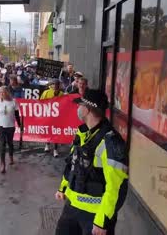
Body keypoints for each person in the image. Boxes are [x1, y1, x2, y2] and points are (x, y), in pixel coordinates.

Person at [55, 89, 128, 235]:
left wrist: (102, 221)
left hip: (95, 215)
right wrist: (63, 187)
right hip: (71, 206)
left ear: (87, 109)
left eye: (80, 105)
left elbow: (117, 187)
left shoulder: (111, 142)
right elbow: (73, 164)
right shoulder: (83, 133)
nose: (77, 108)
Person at [0, 86, 22, 174]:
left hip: (11, 126)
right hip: (1, 126)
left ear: (7, 93)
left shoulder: (13, 102)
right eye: (0, 93)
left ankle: (11, 156)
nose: (1, 94)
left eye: (3, 92)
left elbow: (17, 114)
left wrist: (19, 125)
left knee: (10, 142)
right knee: (2, 144)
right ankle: (2, 164)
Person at [40, 79, 64, 157]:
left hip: (58, 117)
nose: (55, 86)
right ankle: (47, 144)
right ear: (51, 85)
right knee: (49, 131)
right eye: (54, 84)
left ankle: (55, 150)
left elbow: (64, 104)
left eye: (57, 84)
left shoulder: (62, 94)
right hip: (48, 116)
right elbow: (41, 102)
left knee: (56, 132)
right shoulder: (46, 92)